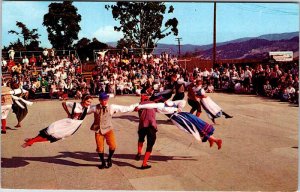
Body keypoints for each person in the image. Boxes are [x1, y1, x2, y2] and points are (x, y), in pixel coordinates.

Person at [136, 99, 222, 150]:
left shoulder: (161, 105)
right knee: (195, 128)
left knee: (194, 128)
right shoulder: (163, 104)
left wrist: (179, 108)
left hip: (181, 118)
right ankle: (211, 139)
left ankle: (215, 140)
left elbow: (183, 101)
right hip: (181, 117)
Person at [21, 95, 94, 148]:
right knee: (50, 129)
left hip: (74, 126)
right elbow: (64, 103)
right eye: (87, 101)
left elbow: (96, 108)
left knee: (56, 136)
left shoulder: (88, 108)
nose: (88, 103)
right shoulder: (75, 104)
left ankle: (32, 140)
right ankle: (32, 141)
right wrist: (68, 113)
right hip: (68, 122)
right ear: (83, 100)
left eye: (90, 102)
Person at [89, 92, 139, 169]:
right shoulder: (95, 107)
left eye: (105, 99)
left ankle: (109, 159)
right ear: (99, 100)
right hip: (98, 130)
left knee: (113, 146)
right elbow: (84, 111)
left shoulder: (112, 107)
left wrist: (134, 107)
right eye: (102, 100)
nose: (104, 101)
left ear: (107, 99)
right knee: (99, 148)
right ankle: (102, 162)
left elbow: (124, 108)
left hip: (108, 129)